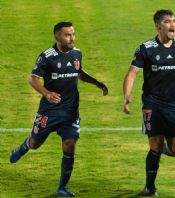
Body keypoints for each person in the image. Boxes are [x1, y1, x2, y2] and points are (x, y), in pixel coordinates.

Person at [9, 21, 109, 197]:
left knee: (70, 144)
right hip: (49, 111)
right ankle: (24, 146)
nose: (72, 38)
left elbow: (79, 72)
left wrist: (97, 83)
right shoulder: (47, 56)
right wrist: (47, 94)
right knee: (35, 144)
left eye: (73, 34)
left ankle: (62, 188)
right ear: (57, 36)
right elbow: (32, 79)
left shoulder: (77, 53)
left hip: (70, 111)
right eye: (67, 35)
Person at [123, 9, 175, 196]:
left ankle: (161, 150)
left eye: (174, 21)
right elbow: (132, 73)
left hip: (174, 105)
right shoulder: (146, 48)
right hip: (152, 104)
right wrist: (127, 96)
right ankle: (150, 187)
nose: (173, 25)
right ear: (158, 25)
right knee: (155, 144)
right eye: (168, 21)